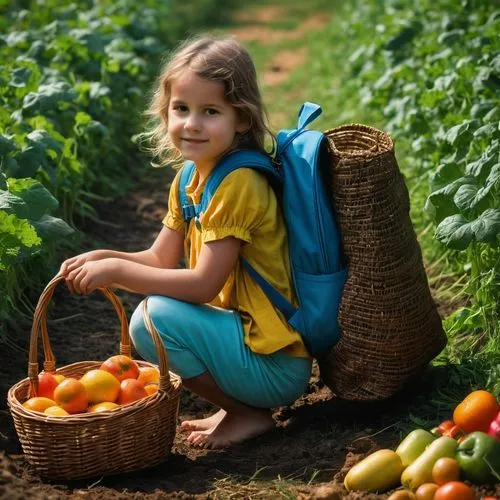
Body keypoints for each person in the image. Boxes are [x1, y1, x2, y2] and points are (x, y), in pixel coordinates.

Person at [58, 35, 313, 449]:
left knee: (152, 319)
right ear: (166, 111)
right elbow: (160, 258)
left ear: (242, 119)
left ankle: (248, 413)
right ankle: (235, 407)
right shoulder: (190, 177)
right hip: (244, 347)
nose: (191, 123)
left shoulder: (239, 182)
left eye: (210, 111)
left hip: (275, 365)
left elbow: (203, 285)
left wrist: (118, 273)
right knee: (156, 312)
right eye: (181, 109)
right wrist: (104, 256)